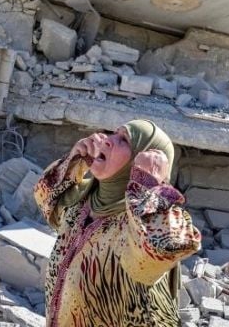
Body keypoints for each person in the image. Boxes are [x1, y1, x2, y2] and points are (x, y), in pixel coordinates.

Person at [33, 119, 201, 326]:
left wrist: (147, 188)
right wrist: (75, 161)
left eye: (124, 140)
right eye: (112, 133)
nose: (107, 141)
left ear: (144, 160)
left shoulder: (141, 222)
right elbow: (45, 198)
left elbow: (168, 248)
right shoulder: (83, 203)